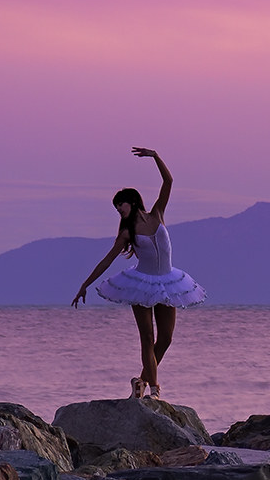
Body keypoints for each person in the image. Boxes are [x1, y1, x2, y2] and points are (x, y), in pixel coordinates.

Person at [71, 147, 207, 399]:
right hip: (141, 284)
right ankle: (155, 390)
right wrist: (85, 285)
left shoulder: (157, 213)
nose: (118, 210)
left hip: (168, 282)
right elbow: (107, 260)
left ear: (132, 202)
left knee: (165, 339)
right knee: (147, 337)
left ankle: (140, 380)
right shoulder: (126, 233)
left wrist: (155, 156)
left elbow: (169, 181)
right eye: (116, 208)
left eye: (120, 205)